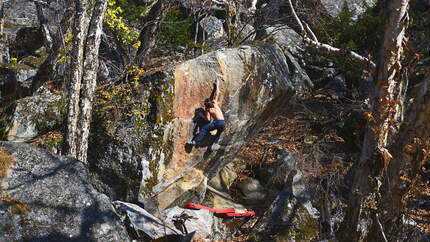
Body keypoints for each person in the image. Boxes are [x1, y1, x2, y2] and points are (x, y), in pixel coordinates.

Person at [187, 79, 226, 152]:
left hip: (217, 122)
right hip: (223, 123)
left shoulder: (208, 110)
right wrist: (217, 85)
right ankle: (212, 146)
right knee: (218, 133)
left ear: (206, 105)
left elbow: (207, 119)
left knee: (204, 129)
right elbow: (217, 93)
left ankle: (195, 142)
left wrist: (200, 115)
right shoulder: (214, 103)